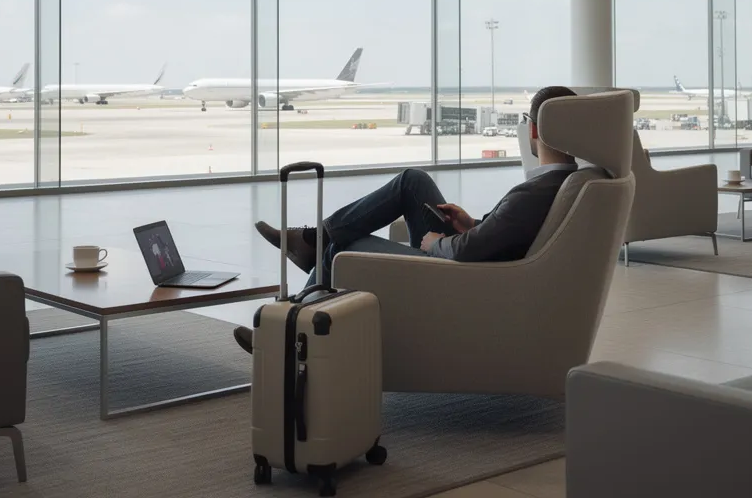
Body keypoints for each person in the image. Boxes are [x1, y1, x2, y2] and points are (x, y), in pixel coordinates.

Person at [232, 85, 609, 352]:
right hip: (483, 265)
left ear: (533, 129)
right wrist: (472, 222)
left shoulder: (537, 191)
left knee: (341, 248)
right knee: (414, 182)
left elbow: (469, 252)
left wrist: (437, 243)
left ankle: (281, 330)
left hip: (462, 275)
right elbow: (509, 236)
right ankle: (315, 240)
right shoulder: (568, 181)